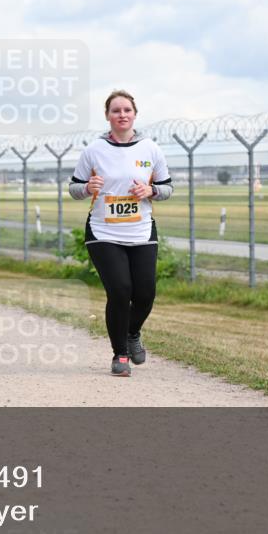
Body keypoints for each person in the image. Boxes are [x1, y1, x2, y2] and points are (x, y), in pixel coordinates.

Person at [69, 90, 173, 377]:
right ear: (107, 116)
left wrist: (151, 191)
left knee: (145, 294)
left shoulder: (151, 149)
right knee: (119, 290)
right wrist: (87, 188)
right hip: (103, 231)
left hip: (141, 231)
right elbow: (74, 188)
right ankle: (120, 355)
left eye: (127, 110)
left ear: (135, 115)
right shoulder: (94, 150)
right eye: (116, 111)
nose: (122, 115)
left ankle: (132, 332)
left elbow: (167, 189)